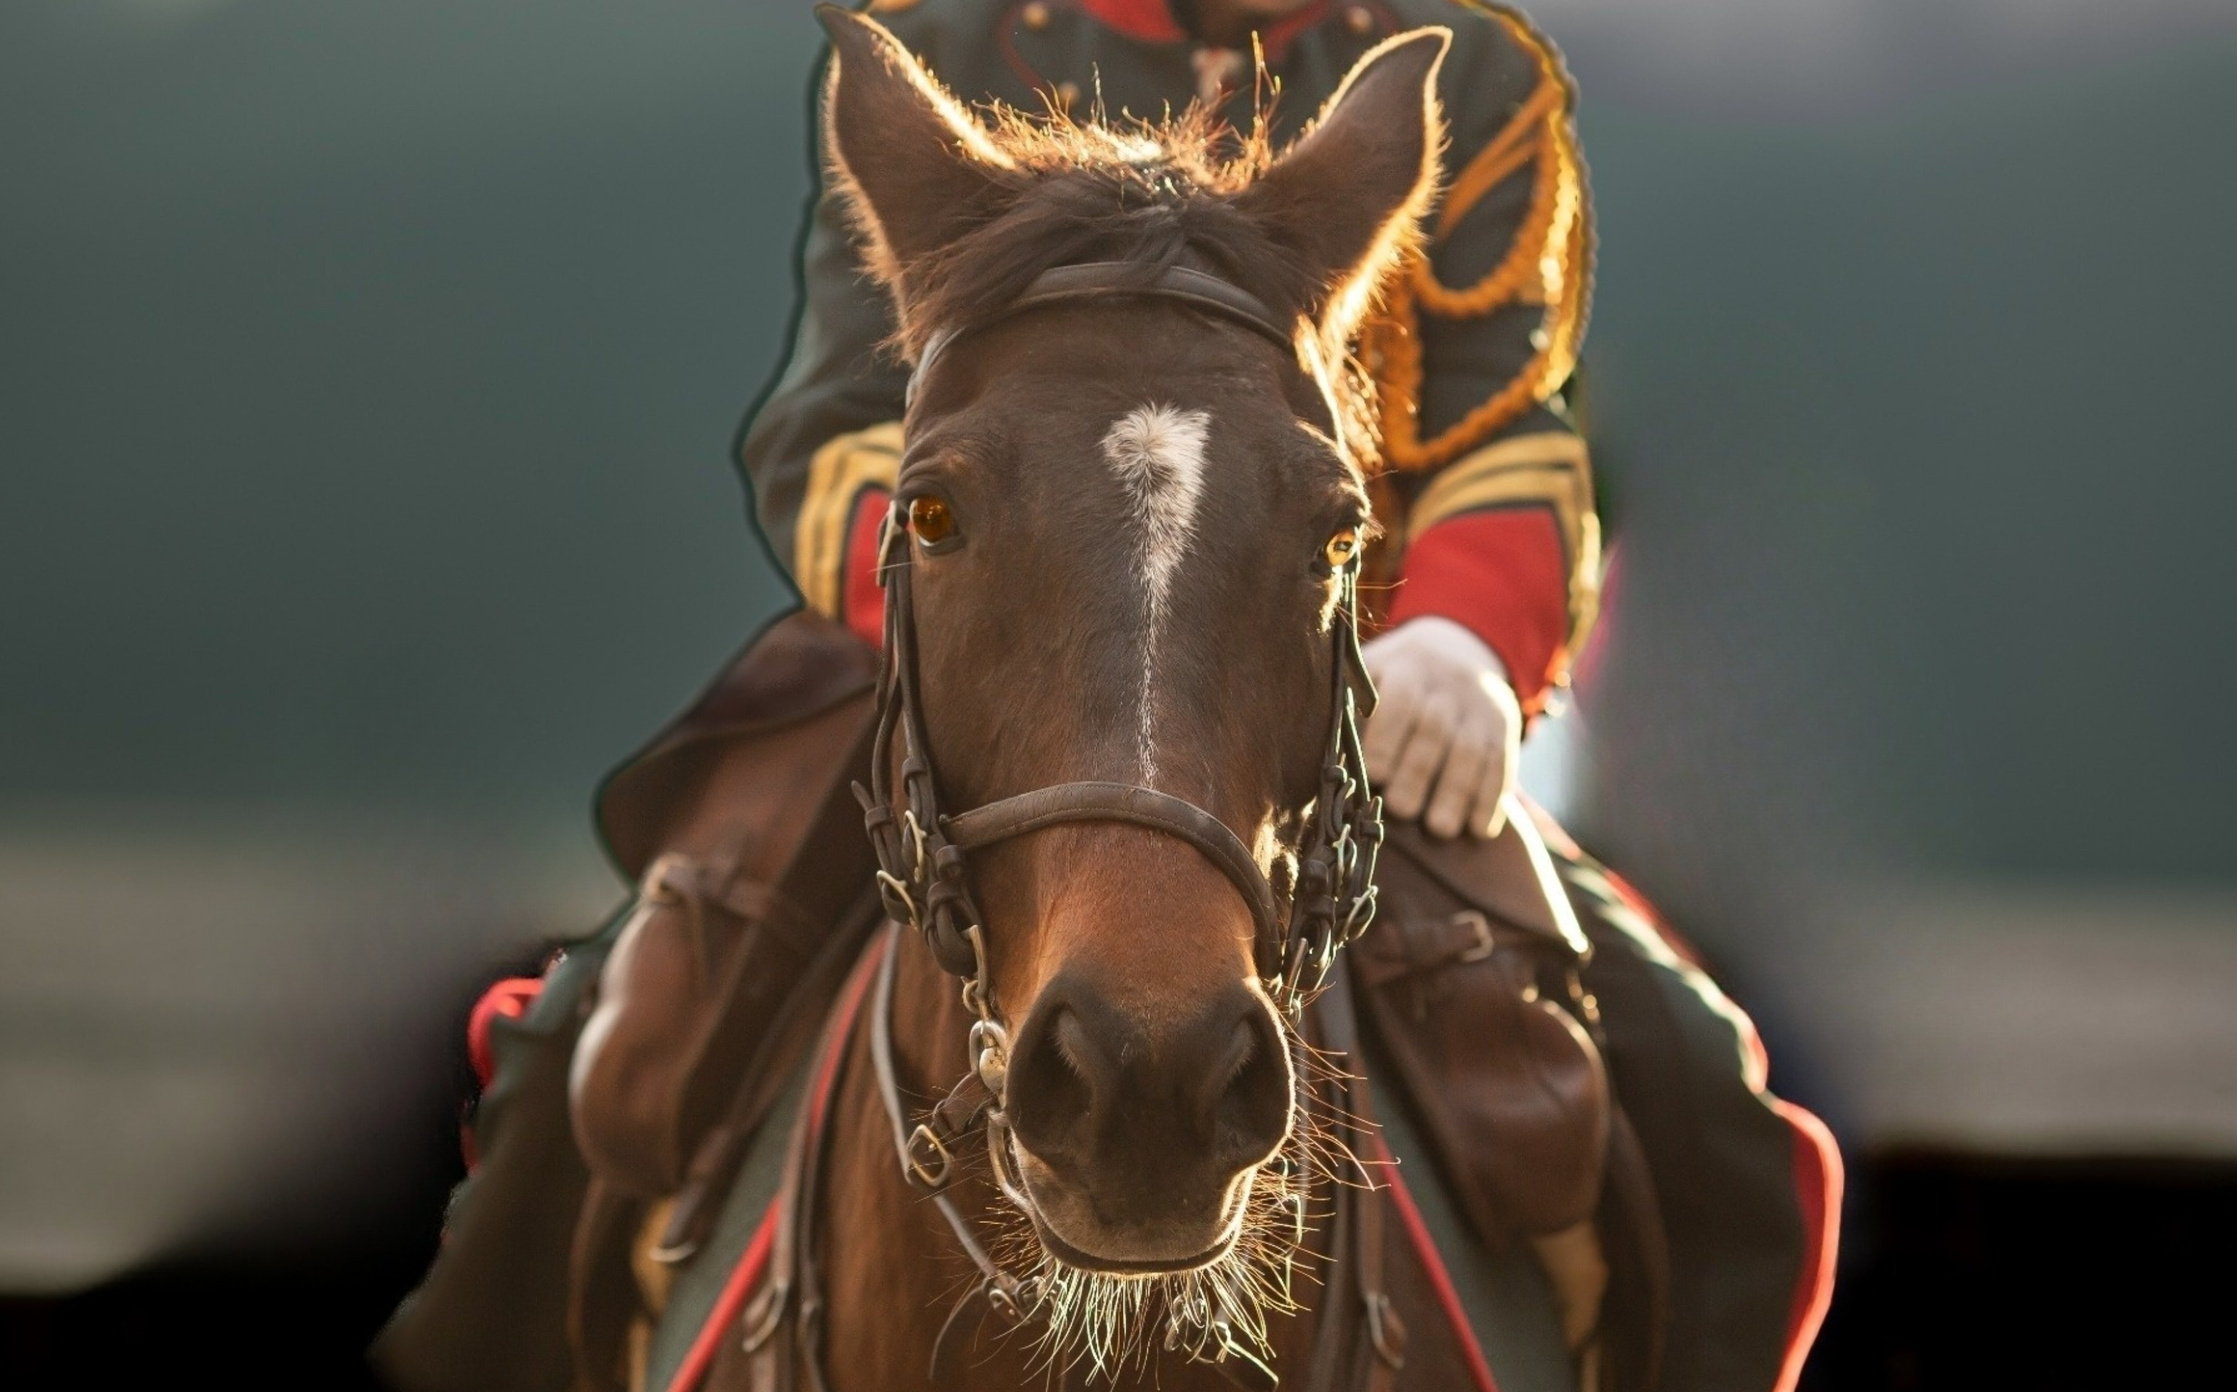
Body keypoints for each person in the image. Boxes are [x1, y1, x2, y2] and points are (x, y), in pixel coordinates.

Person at [378, 5, 1839, 1391]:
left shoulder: (1472, 76)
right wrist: (989, 603)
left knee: (1710, 1127)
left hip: (1339, 676)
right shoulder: (950, 38)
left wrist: (1458, 641)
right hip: (963, 645)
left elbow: (1511, 428)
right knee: (593, 1058)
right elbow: (826, 431)